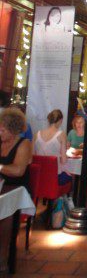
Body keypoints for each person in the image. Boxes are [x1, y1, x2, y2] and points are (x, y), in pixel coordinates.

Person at [0, 108, 33, 272]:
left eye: (3, 129)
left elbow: (18, 170)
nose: (0, 132)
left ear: (12, 130)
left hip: (19, 189)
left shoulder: (24, 144)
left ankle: (3, 257)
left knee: (6, 211)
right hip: (3, 186)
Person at [34, 109, 70, 185]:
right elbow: (64, 160)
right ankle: (63, 196)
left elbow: (32, 156)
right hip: (54, 175)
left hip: (37, 174)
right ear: (60, 120)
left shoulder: (37, 134)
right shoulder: (61, 134)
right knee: (70, 176)